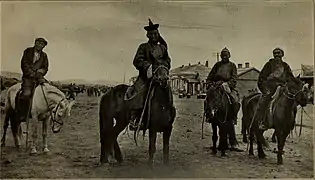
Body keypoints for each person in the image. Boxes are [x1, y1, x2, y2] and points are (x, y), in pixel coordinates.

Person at [125, 18, 173, 131]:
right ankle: (135, 118)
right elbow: (137, 60)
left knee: (168, 92)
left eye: (156, 33)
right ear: (148, 35)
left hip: (160, 76)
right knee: (140, 92)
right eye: (152, 34)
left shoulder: (162, 48)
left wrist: (163, 67)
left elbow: (168, 60)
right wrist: (148, 66)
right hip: (146, 77)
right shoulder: (143, 47)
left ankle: (169, 115)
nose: (154, 35)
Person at [205, 47, 241, 151]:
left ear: (229, 56)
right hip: (216, 85)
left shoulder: (232, 66)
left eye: (226, 55)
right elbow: (210, 76)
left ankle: (233, 117)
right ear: (221, 56)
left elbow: (234, 78)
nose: (224, 56)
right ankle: (209, 115)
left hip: (227, 86)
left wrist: (227, 84)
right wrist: (211, 83)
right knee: (208, 98)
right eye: (223, 55)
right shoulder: (217, 65)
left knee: (235, 101)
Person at [256, 48, 295, 130]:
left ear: (282, 55)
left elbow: (291, 78)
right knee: (263, 102)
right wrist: (265, 90)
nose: (277, 55)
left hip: (283, 89)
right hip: (270, 89)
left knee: (292, 103)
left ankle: (291, 122)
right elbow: (261, 78)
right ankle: (262, 121)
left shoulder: (285, 66)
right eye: (275, 53)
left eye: (279, 53)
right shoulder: (268, 65)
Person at [15, 37, 49, 122]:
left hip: (39, 77)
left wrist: (41, 72)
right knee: (26, 94)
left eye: (42, 44)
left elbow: (45, 68)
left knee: (47, 91)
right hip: (28, 78)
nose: (40, 45)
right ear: (35, 43)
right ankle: (23, 114)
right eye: (38, 43)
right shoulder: (28, 51)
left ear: (44, 46)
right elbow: (24, 64)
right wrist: (31, 73)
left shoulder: (44, 56)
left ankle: (44, 113)